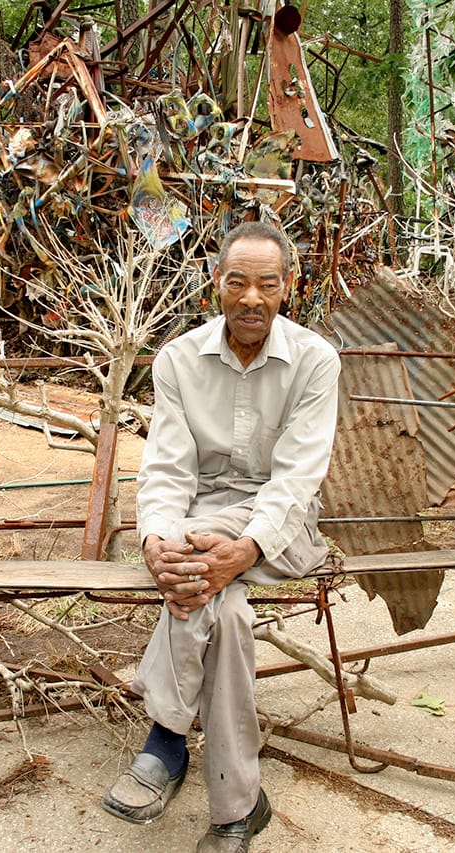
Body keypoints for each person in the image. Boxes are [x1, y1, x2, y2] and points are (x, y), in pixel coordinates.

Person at [100, 220, 341, 851]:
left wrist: (241, 549)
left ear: (288, 287)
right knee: (224, 609)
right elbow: (166, 469)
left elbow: (295, 484)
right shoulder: (179, 359)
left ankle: (166, 743)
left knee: (203, 556)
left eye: (267, 283)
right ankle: (239, 804)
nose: (252, 298)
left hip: (280, 528)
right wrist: (156, 540)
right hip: (198, 525)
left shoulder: (315, 361)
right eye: (238, 282)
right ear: (217, 285)